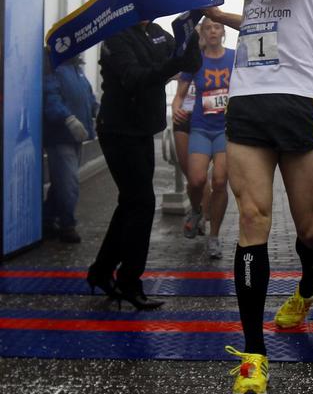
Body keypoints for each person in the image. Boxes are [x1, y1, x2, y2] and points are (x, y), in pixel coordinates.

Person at [204, 0, 313, 394]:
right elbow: (262, 21)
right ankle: (253, 357)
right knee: (253, 219)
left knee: (312, 231)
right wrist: (220, 15)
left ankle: (307, 284)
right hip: (249, 103)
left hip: (300, 102)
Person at [87, 21, 201, 310]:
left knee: (130, 204)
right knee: (142, 203)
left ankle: (101, 271)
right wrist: (174, 62)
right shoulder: (115, 36)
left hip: (143, 129)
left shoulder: (157, 33)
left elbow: (190, 64)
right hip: (118, 130)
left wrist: (189, 34)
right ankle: (128, 281)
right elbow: (134, 77)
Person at [172, 18, 234, 258]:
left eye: (217, 27)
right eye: (208, 27)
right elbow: (180, 95)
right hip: (200, 127)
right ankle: (197, 211)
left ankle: (214, 237)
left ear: (223, 31)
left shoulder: (234, 58)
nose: (212, 31)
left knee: (219, 181)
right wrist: (176, 108)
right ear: (203, 33)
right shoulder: (195, 60)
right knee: (196, 180)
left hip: (225, 130)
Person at [43, 53, 98, 243]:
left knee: (61, 183)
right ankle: (67, 226)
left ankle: (47, 220)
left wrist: (97, 109)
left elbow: (89, 97)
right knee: (69, 184)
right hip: (60, 137)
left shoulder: (77, 70)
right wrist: (68, 119)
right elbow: (51, 101)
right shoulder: (53, 70)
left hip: (76, 137)